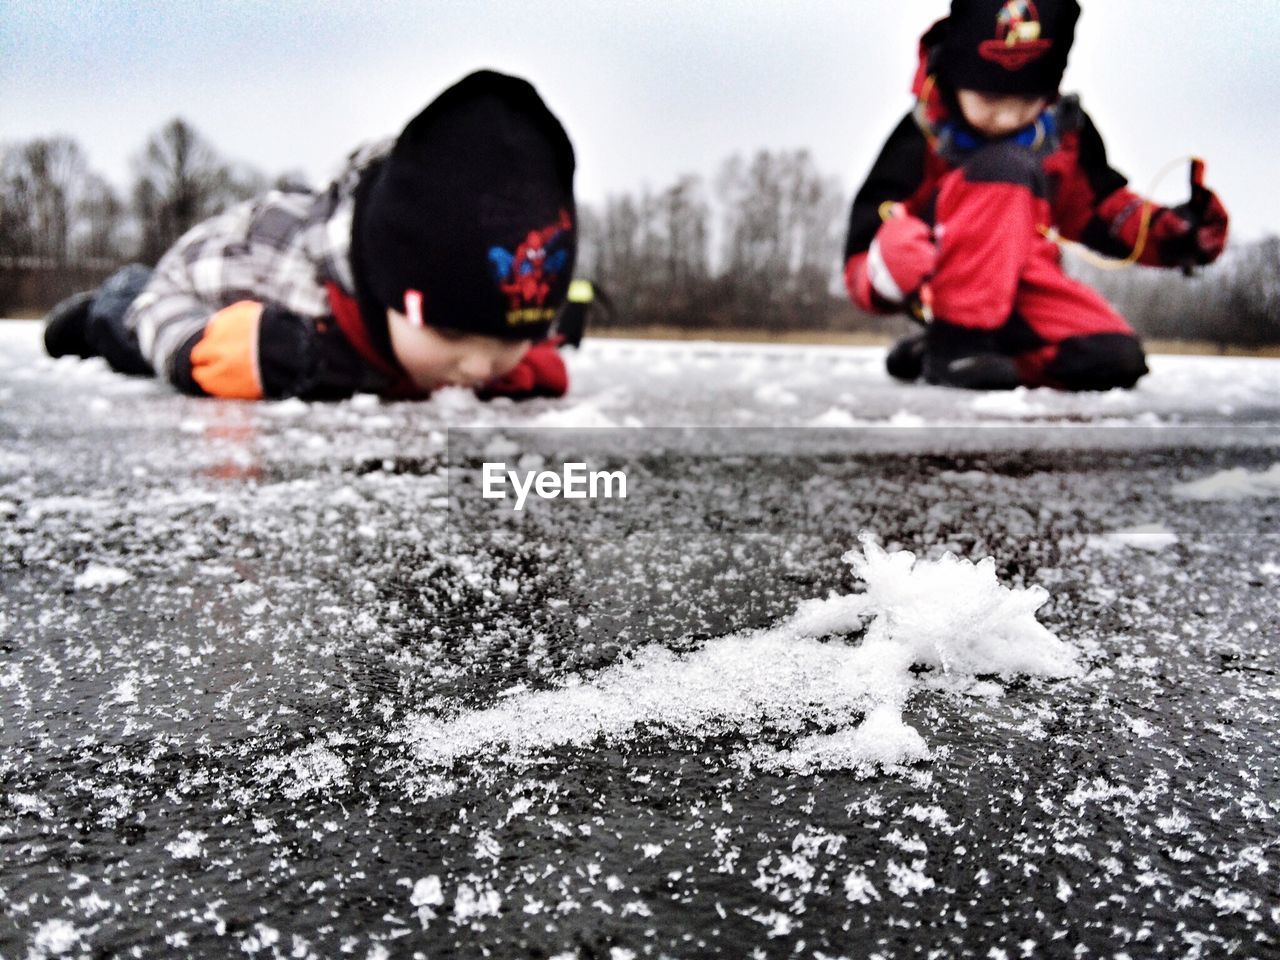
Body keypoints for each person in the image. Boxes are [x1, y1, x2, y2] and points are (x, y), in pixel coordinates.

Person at [43, 70, 596, 402]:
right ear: (385, 284)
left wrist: (525, 355)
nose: (478, 368)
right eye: (451, 334)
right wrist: (194, 346)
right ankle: (102, 306)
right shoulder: (268, 262)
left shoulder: (490, 308)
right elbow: (170, 294)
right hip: (186, 285)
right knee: (133, 323)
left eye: (506, 339)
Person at [843, 0, 1229, 391]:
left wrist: (1174, 234)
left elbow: (1097, 208)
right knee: (1004, 167)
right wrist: (890, 264)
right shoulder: (922, 137)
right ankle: (957, 343)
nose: (1008, 118)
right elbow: (869, 238)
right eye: (991, 101)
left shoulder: (1063, 136)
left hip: (1027, 283)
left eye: (1026, 102)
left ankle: (948, 355)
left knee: (1115, 359)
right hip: (948, 278)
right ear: (955, 81)